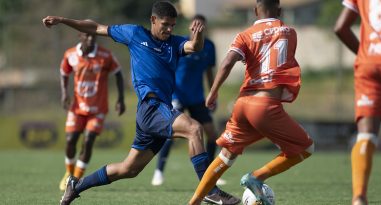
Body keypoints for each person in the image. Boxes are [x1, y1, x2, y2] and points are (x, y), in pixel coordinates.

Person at [42, 1, 240, 205]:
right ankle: (210, 190)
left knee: (129, 169)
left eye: (173, 25)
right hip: (151, 107)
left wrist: (197, 35)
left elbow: (194, 46)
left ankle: (77, 185)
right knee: (195, 129)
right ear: (153, 20)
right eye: (165, 24)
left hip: (159, 110)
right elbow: (95, 27)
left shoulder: (174, 43)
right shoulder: (135, 34)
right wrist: (63, 20)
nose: (169, 29)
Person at [188, 0, 315, 204]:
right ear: (280, 10)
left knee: (226, 156)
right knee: (306, 148)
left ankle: (193, 202)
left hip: (243, 104)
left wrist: (212, 92)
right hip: (266, 106)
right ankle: (257, 177)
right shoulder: (289, 32)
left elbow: (228, 62)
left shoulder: (243, 35)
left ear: (255, 10)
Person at [151, 14, 226, 187]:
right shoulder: (180, 44)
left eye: (202, 26)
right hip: (178, 95)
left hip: (197, 96)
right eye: (195, 25)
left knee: (212, 134)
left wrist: (212, 93)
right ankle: (159, 172)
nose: (198, 29)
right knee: (171, 134)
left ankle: (210, 173)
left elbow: (208, 71)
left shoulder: (209, 46)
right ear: (190, 27)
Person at [334, 1, 381, 205]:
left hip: (371, 63)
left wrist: (366, 55)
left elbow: (340, 27)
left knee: (366, 134)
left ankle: (359, 197)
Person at [58, 32, 126, 191]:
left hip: (98, 109)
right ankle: (69, 173)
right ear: (80, 36)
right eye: (87, 36)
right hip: (77, 107)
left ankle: (76, 178)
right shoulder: (70, 54)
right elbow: (63, 73)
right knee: (70, 140)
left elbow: (119, 74)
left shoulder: (105, 55)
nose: (90, 39)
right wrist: (64, 93)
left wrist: (121, 99)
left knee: (88, 141)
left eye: (93, 36)